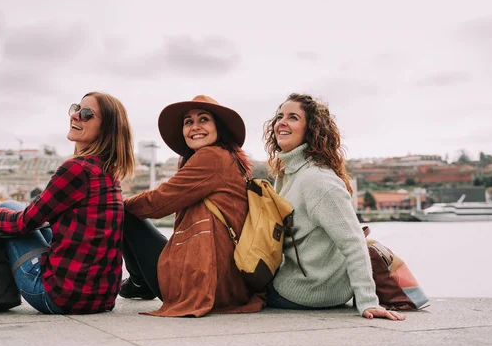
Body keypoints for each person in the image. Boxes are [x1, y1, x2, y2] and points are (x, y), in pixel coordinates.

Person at [0, 92, 134, 314]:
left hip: (58, 297)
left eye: (86, 114)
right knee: (13, 207)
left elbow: (24, 222)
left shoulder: (76, 169)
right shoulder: (108, 173)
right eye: (75, 109)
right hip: (102, 299)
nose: (75, 116)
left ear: (106, 128)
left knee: (7, 208)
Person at [262, 93, 405, 320]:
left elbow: (353, 241)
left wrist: (367, 300)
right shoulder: (288, 173)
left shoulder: (318, 180)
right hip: (296, 280)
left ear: (311, 129)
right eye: (279, 116)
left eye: (293, 117)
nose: (282, 122)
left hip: (306, 292)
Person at [120, 95, 265, 317]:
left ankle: (139, 282)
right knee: (130, 212)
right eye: (188, 122)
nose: (194, 127)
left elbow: (159, 202)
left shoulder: (212, 156)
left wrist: (118, 203)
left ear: (219, 127)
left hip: (203, 281)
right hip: (231, 282)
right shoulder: (230, 159)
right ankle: (139, 282)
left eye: (203, 119)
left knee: (125, 214)